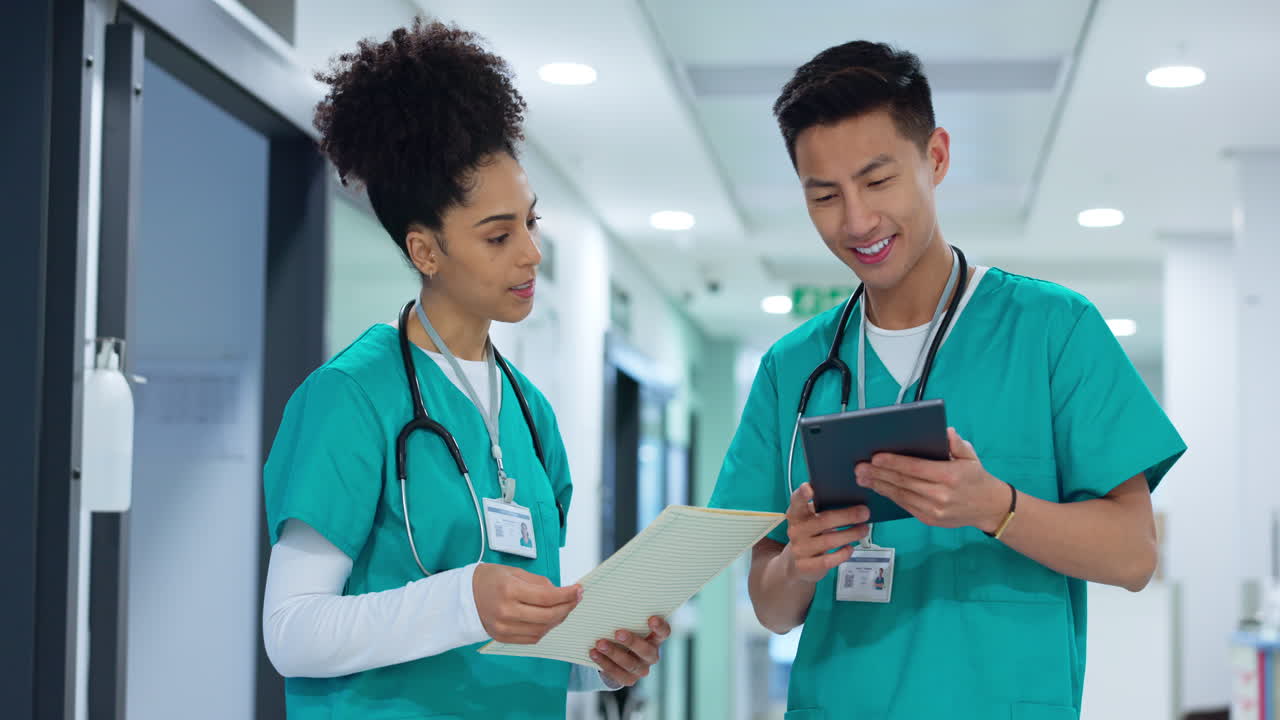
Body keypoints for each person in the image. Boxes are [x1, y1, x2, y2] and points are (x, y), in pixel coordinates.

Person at [709, 40, 1185, 719]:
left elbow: (1134, 555)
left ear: (935, 157)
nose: (856, 221)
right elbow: (771, 605)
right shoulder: (793, 369)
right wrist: (798, 564)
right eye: (824, 195)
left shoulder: (1054, 331)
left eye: (877, 182)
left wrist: (994, 506)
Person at [260, 19, 668, 718]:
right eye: (498, 235)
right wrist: (461, 599)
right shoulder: (352, 398)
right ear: (425, 250)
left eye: (531, 223)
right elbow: (291, 633)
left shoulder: (530, 412)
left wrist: (595, 660)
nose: (532, 254)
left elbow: (508, 643)